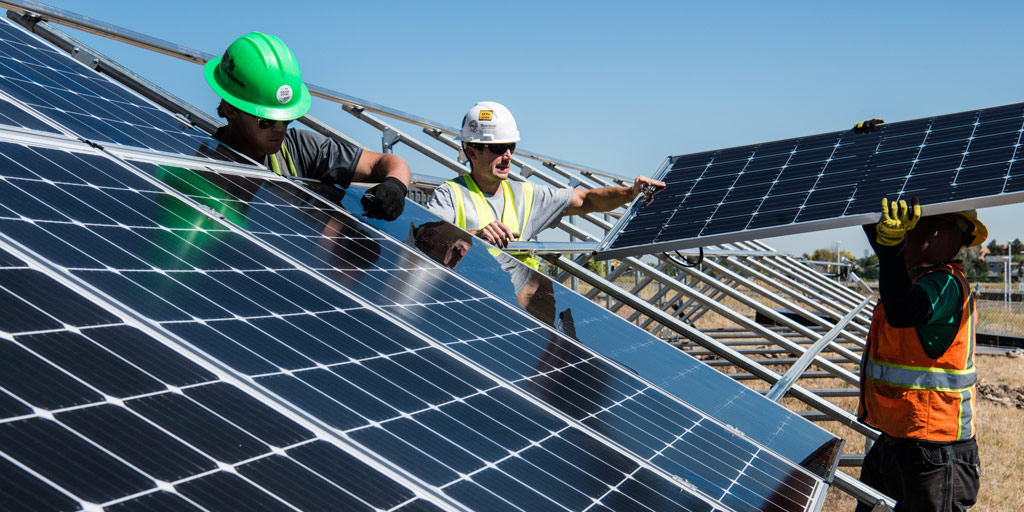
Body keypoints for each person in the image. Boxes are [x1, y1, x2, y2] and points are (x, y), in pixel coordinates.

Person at [857, 197, 984, 512]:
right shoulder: (912, 278)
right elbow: (890, 256)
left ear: (939, 230)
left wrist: (890, 245)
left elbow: (903, 310)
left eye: (908, 227)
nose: (901, 234)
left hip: (934, 453)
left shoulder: (946, 285)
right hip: (895, 443)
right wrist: (868, 203)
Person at [425, 101, 665, 268]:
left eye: (512, 147)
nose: (508, 156)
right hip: (468, 305)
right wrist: (474, 236)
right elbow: (427, 244)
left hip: (516, 308)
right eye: (498, 149)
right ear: (471, 152)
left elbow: (586, 199)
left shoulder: (527, 195)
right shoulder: (450, 195)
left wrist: (631, 192)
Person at [204, 32, 410, 221]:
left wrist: (395, 186)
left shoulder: (300, 148)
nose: (279, 129)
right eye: (266, 121)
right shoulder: (200, 168)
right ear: (230, 109)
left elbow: (385, 162)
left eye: (286, 119)